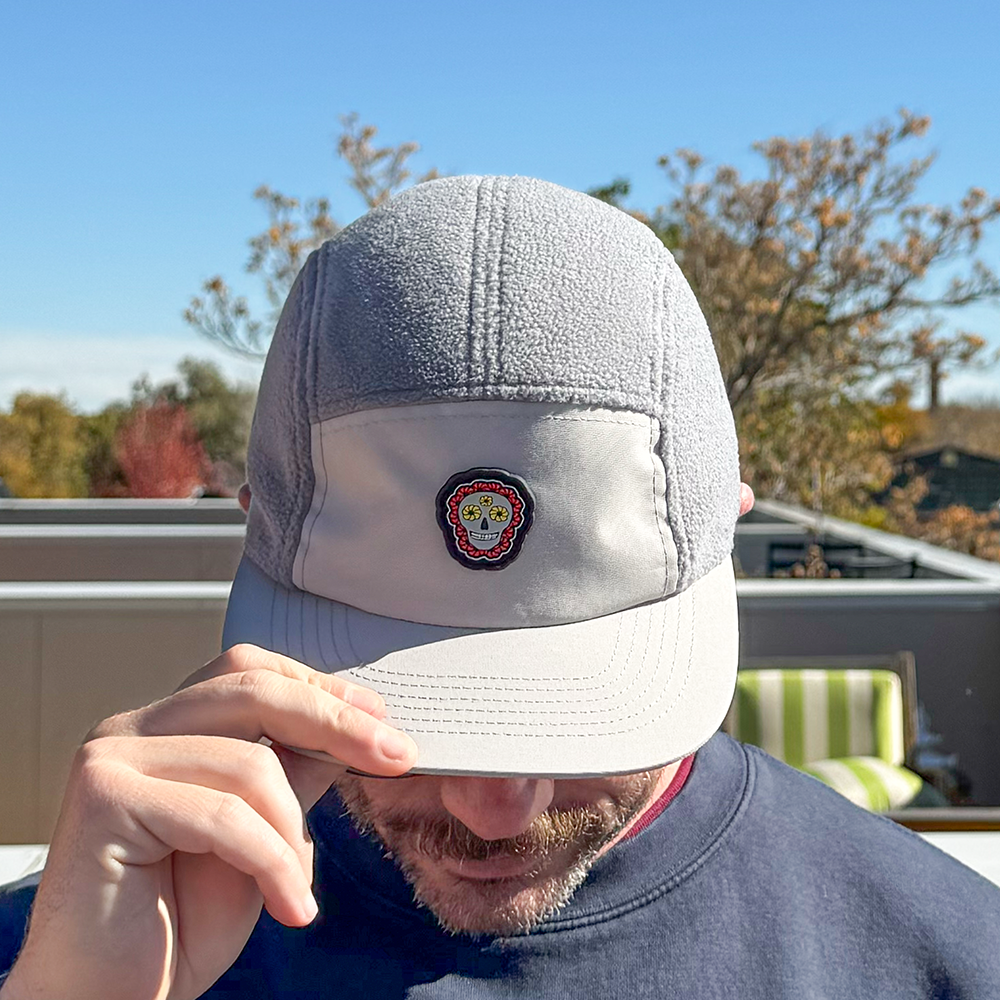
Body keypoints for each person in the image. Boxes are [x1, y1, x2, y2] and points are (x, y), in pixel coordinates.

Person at [1, 176, 998, 1000]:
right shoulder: (81, 946)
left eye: (577, 715)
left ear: (727, 525)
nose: (493, 810)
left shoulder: (949, 960)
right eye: (405, 714)